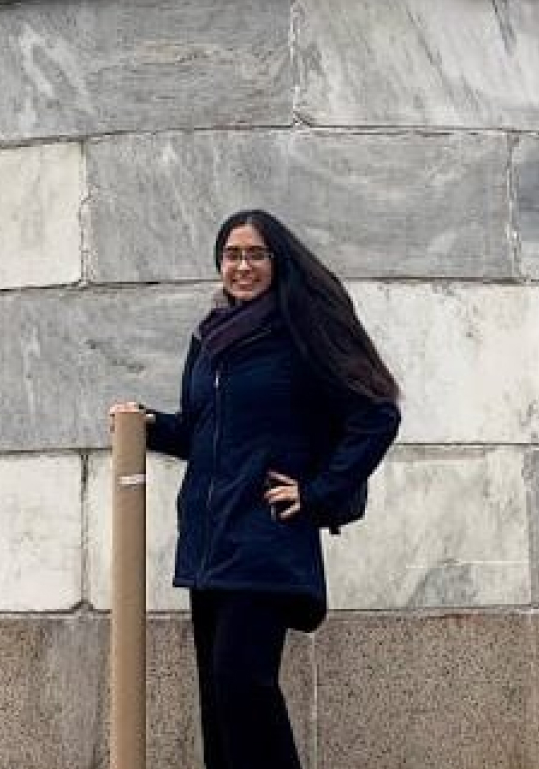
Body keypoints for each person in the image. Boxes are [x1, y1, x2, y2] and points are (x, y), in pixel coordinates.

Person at [111, 209, 401, 769]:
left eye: (255, 255)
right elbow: (202, 433)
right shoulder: (210, 338)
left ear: (277, 261)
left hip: (265, 543)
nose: (241, 266)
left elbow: (376, 413)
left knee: (243, 689)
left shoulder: (300, 332)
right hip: (209, 544)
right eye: (232, 255)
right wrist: (146, 425)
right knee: (220, 705)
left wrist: (316, 492)